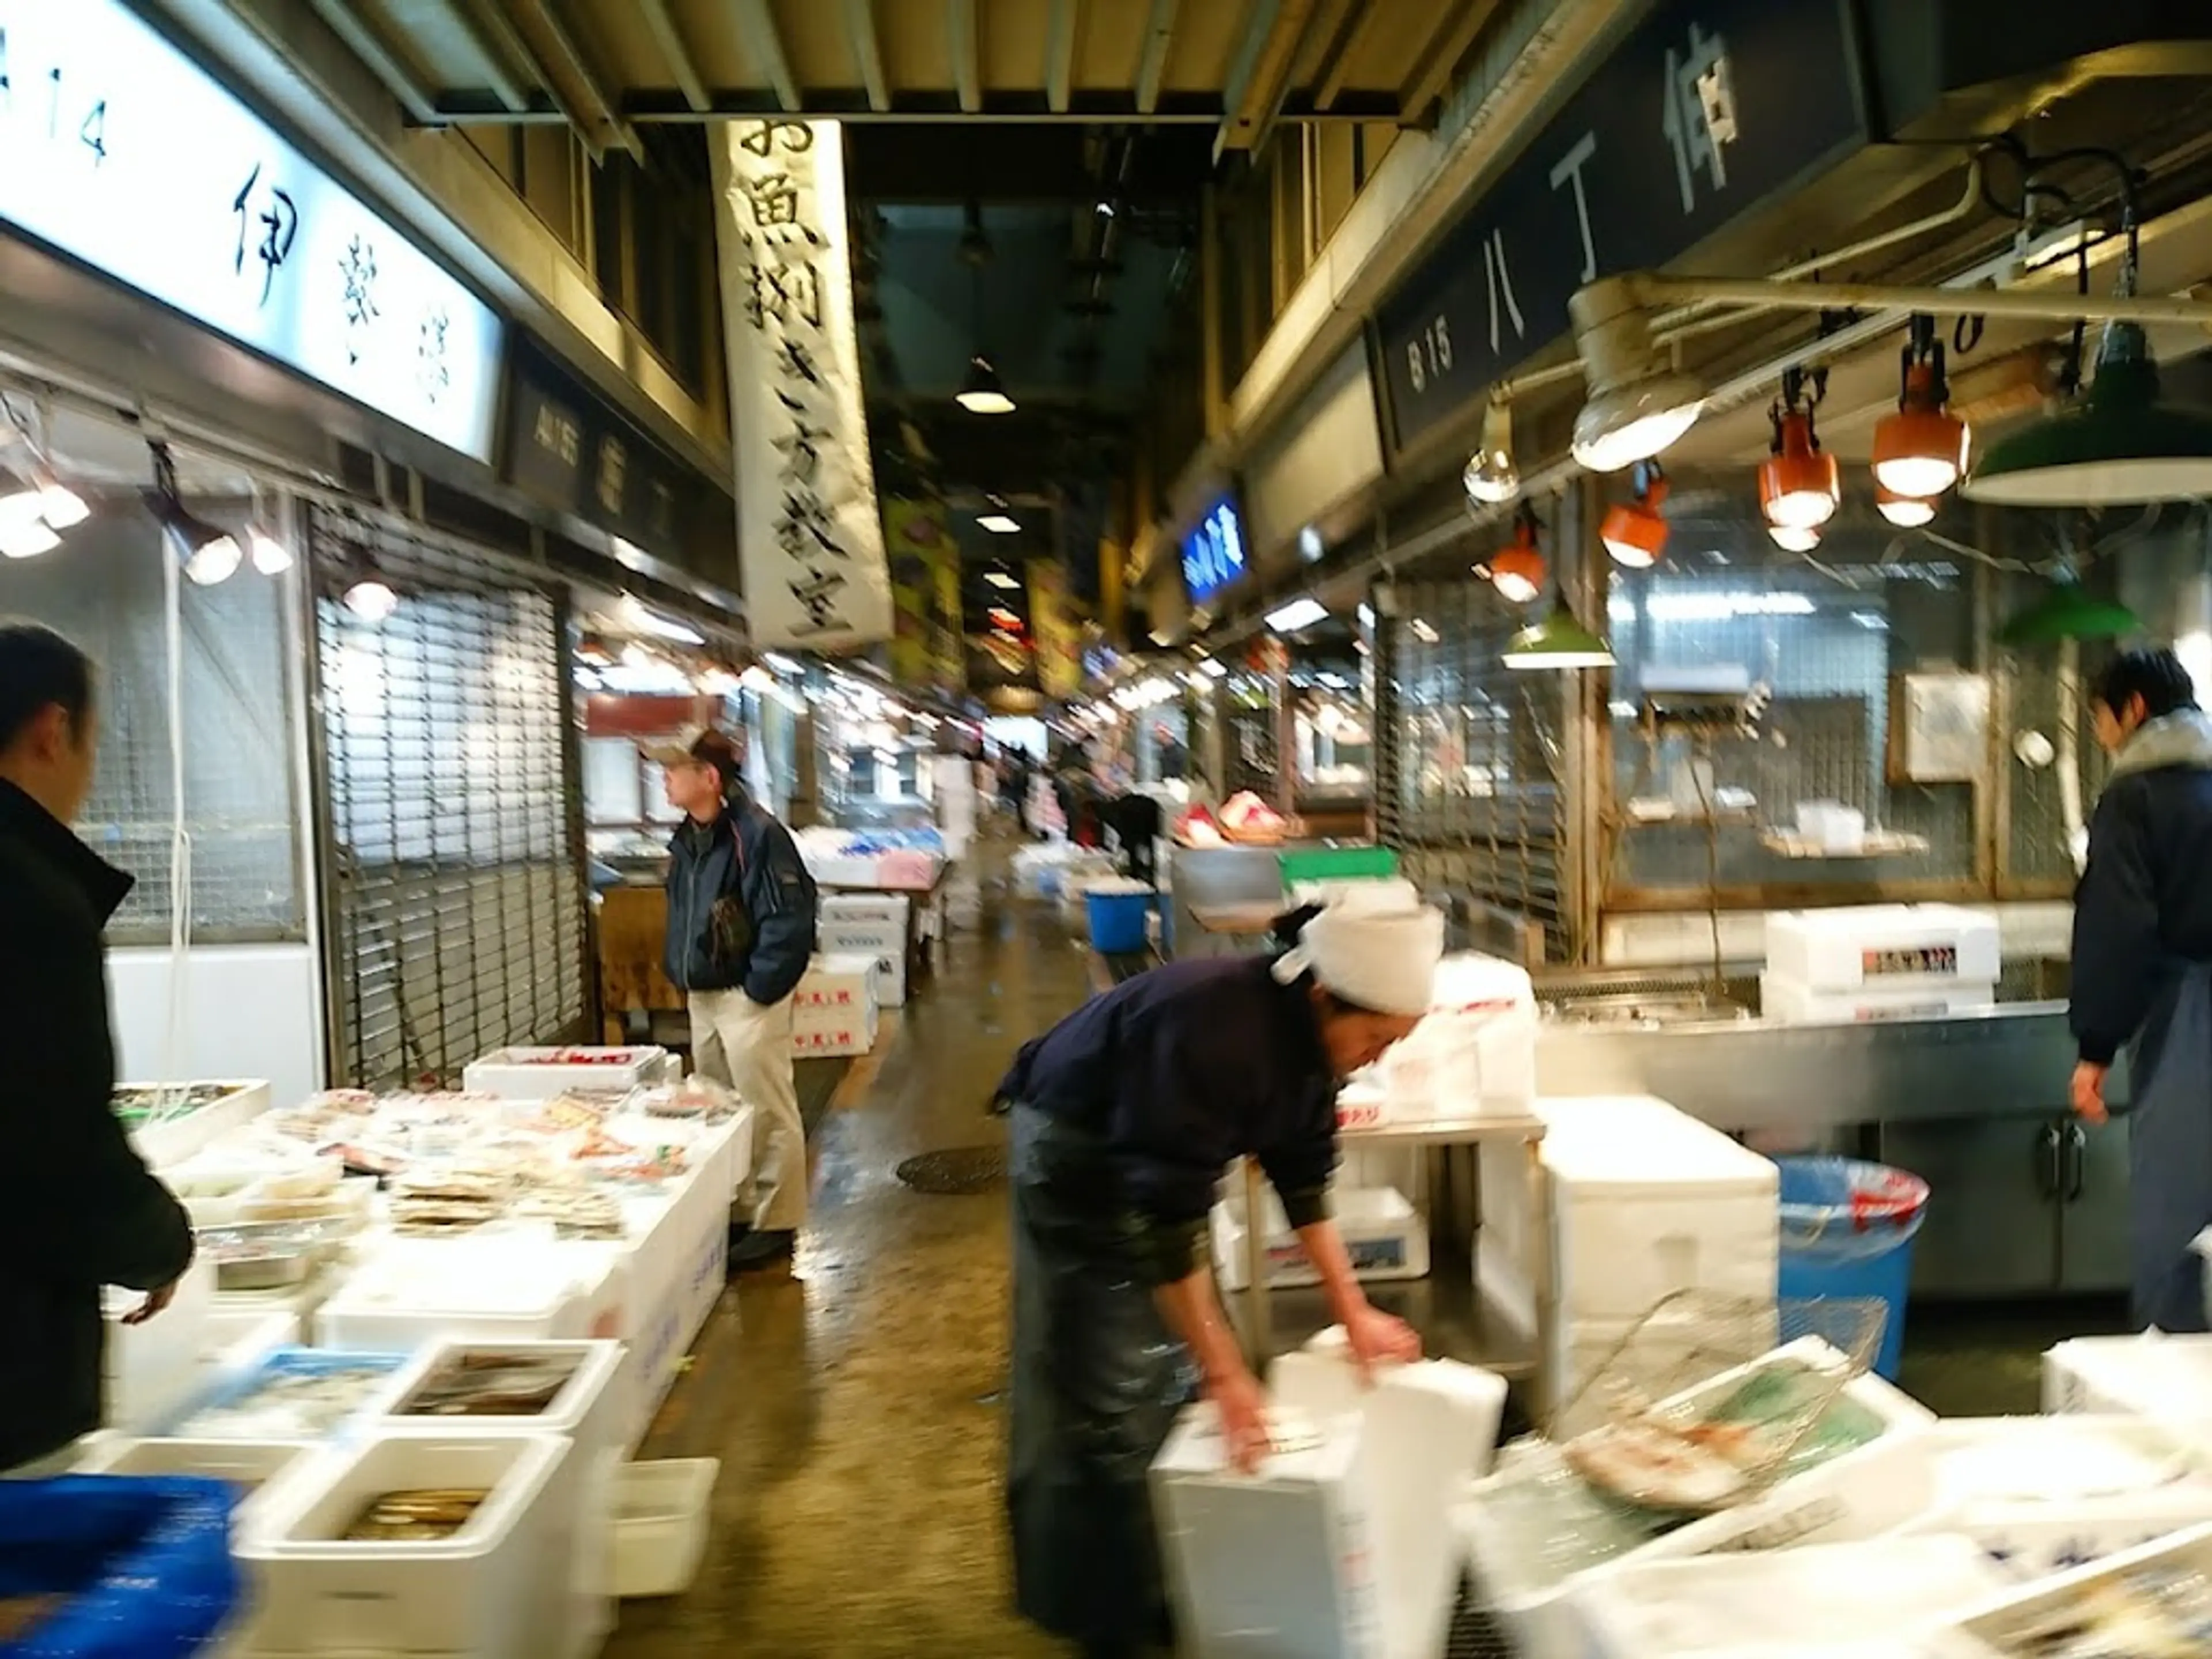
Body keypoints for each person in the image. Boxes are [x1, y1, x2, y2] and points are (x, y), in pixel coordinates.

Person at [999, 899, 1441, 1659]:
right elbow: (1164, 1219)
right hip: (1075, 1156)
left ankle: (1174, 1578)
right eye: (1374, 1037)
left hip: (1150, 1168)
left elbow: (1303, 1176)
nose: (1378, 1057)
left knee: (1176, 1385)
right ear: (1321, 998)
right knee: (1097, 1396)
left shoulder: (1311, 1048)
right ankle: (1101, 1619)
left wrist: (1355, 1312)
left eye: (1394, 1043)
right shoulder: (1218, 1031)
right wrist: (1227, 1372)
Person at [0, 622, 194, 1474]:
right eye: (92, 742)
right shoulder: (28, 895)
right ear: (52, 730)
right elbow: (50, 1135)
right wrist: (155, 1241)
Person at [2068, 647, 2212, 1331]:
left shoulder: (2136, 795)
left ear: (2132, 709)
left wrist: (2095, 1049)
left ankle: (2174, 1378)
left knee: (2178, 1204)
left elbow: (2118, 927)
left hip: (2189, 1015)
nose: (2101, 737)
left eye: (2100, 718)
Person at [649, 725, 820, 1271]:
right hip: (705, 994)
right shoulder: (688, 837)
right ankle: (740, 1209)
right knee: (720, 1108)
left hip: (746, 997)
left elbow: (790, 919)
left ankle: (777, 1221)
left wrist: (759, 989)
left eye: (675, 769)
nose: (666, 778)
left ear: (710, 777)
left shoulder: (758, 834)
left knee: (766, 1109)